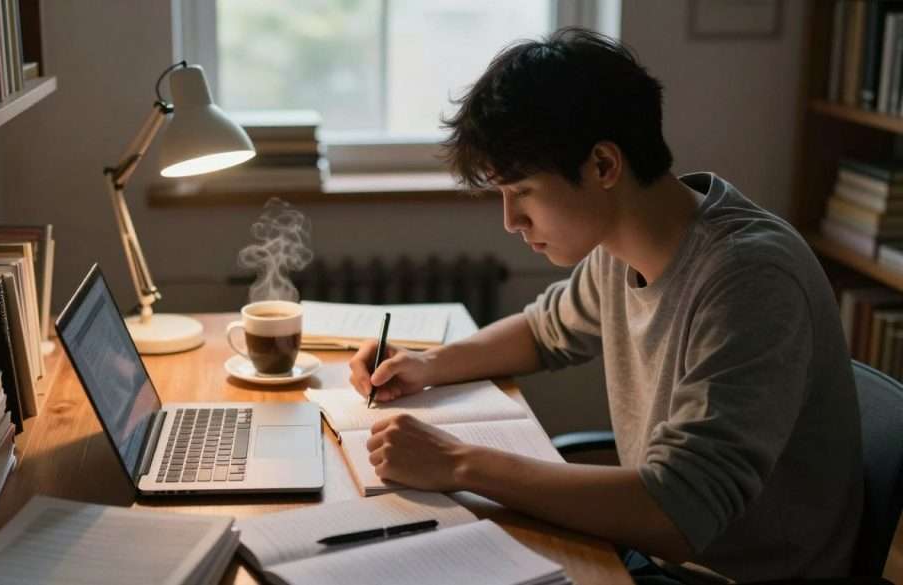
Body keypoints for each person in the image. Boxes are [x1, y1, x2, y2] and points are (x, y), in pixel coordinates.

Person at [347, 27, 862, 584]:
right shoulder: (620, 246)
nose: (510, 221)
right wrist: (427, 364)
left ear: (603, 165)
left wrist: (458, 463)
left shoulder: (749, 277)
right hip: (661, 555)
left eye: (522, 192)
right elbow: (544, 332)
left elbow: (678, 509)